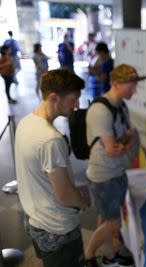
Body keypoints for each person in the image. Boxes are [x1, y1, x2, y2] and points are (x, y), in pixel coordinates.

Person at [15, 69, 90, 267]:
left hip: (36, 219)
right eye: (74, 99)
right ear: (54, 97)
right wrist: (82, 201)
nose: (77, 105)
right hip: (58, 227)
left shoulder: (26, 122)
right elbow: (64, 195)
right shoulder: (50, 140)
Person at [84, 64, 144, 267]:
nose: (134, 90)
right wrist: (129, 142)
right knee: (114, 222)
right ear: (116, 84)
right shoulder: (100, 110)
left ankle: (109, 257)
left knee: (106, 218)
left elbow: (125, 138)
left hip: (116, 171)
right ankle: (89, 255)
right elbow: (113, 148)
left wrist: (126, 142)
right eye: (131, 85)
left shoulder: (121, 106)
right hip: (104, 176)